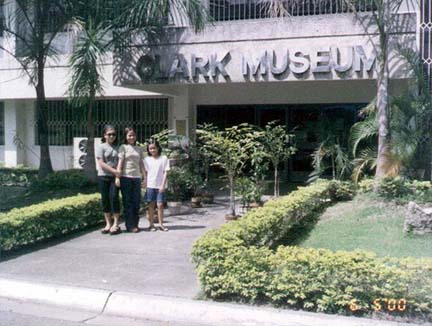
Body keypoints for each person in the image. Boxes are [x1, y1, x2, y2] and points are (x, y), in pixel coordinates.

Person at [116, 127, 145, 233]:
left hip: (136, 178)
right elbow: (120, 162)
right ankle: (130, 225)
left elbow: (141, 163)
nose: (131, 137)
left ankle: (135, 224)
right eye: (129, 135)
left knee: (137, 202)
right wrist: (117, 177)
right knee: (127, 202)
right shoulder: (123, 147)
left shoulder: (139, 148)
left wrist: (144, 177)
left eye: (133, 135)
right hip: (126, 177)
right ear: (125, 137)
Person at [96, 125, 121, 235]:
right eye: (109, 134)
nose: (111, 136)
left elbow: (120, 162)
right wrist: (114, 171)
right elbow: (101, 163)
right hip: (103, 176)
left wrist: (117, 175)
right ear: (105, 135)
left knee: (114, 198)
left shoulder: (119, 147)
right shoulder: (101, 147)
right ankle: (108, 224)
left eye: (113, 134)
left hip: (114, 178)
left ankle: (116, 224)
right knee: (105, 199)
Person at [144, 139, 170, 231]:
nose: (152, 150)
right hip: (150, 185)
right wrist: (145, 183)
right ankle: (151, 225)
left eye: (154, 148)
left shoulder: (164, 158)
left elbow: (165, 172)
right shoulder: (146, 160)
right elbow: (146, 173)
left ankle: (161, 224)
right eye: (150, 149)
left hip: (160, 186)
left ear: (158, 148)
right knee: (151, 205)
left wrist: (163, 185)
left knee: (160, 205)